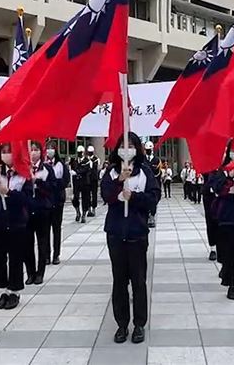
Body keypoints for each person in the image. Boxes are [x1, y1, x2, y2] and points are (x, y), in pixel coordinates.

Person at [101, 132, 160, 344]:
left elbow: (154, 198)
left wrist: (133, 197)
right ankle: (122, 324)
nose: (127, 149)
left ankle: (139, 324)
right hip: (116, 234)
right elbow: (106, 195)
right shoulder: (111, 172)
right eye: (123, 145)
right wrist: (120, 180)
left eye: (131, 145)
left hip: (137, 234)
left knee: (138, 281)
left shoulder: (145, 172)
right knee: (119, 281)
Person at [0, 143, 32, 311]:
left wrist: (9, 193)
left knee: (15, 258)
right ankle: (4, 290)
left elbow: (27, 199)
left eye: (10, 151)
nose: (6, 155)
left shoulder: (24, 174)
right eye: (4, 152)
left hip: (17, 222)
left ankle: (14, 290)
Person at [209, 145, 234, 300]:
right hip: (227, 216)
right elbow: (214, 185)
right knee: (229, 253)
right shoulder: (221, 169)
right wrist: (228, 179)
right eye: (233, 149)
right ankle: (231, 284)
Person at [25, 141, 56, 285]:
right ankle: (30, 272)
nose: (33, 152)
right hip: (27, 211)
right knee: (27, 244)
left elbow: (53, 188)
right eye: (31, 150)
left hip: (43, 210)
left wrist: (38, 182)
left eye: (36, 149)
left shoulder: (47, 169)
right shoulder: (24, 168)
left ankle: (40, 272)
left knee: (42, 242)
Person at [46, 140, 70, 265]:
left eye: (52, 148)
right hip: (46, 201)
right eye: (48, 148)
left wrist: (55, 183)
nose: (50, 150)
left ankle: (56, 254)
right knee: (45, 231)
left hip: (58, 200)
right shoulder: (43, 164)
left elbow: (66, 180)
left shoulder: (61, 164)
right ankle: (46, 255)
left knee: (56, 229)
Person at [70, 145, 92, 223]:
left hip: (84, 182)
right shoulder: (75, 160)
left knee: (85, 199)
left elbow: (85, 169)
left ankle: (84, 214)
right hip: (76, 182)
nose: (79, 154)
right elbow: (72, 168)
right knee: (75, 198)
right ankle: (78, 212)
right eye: (78, 152)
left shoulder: (87, 161)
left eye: (80, 152)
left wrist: (76, 172)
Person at [202, 169, 218, 261]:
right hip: (209, 196)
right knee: (210, 222)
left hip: (223, 196)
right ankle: (213, 248)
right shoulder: (207, 165)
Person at [145, 141, 161, 227]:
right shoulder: (143, 159)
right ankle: (147, 215)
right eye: (146, 149)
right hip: (145, 183)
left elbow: (158, 173)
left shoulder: (157, 160)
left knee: (154, 200)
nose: (148, 151)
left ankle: (152, 215)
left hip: (154, 183)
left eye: (149, 149)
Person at [88, 145, 101, 217]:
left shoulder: (96, 159)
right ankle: (88, 208)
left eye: (90, 152)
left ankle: (93, 209)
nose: (90, 153)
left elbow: (96, 166)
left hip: (93, 179)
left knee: (94, 194)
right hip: (87, 179)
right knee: (87, 195)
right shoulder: (86, 159)